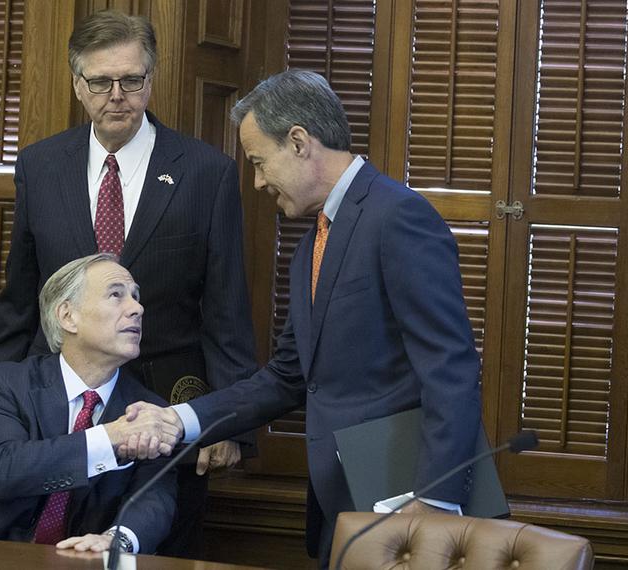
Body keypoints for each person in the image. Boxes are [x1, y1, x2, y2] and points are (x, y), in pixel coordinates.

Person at [124, 69, 483, 568]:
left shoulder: (398, 216)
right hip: (339, 504)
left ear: (298, 142)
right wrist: (179, 419)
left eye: (258, 162)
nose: (257, 180)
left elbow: (451, 367)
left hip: (407, 508)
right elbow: (288, 376)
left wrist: (436, 501)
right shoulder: (311, 243)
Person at [0, 9, 258, 557]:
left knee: (152, 548)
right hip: (56, 412)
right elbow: (19, 297)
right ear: (77, 85)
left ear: (149, 81)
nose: (118, 95)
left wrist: (229, 422)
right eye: (101, 82)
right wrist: (1, 405)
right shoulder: (40, 166)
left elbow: (227, 308)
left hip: (165, 413)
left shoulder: (206, 172)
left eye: (131, 80)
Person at [0, 254, 180, 554]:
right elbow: (2, 470)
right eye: (116, 295)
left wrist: (117, 540)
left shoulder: (149, 411)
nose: (137, 308)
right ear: (68, 316)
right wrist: (108, 439)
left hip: (84, 561)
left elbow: (155, 499)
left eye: (135, 297)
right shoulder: (6, 383)